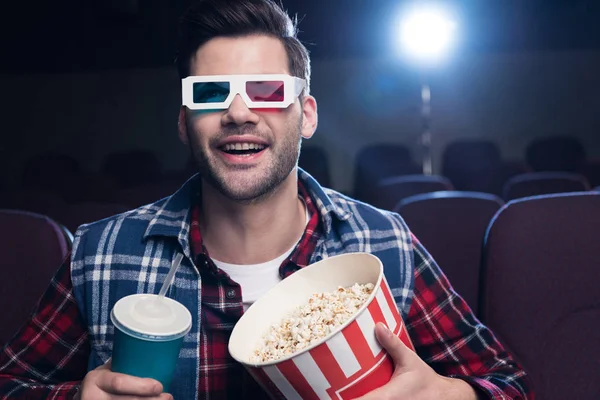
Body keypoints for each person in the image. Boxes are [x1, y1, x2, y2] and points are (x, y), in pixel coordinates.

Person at [0, 0, 534, 399]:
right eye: (210, 93)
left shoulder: (385, 243)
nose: (238, 112)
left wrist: (451, 394)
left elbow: (509, 384)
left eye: (267, 91)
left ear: (308, 115)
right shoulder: (101, 255)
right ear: (185, 123)